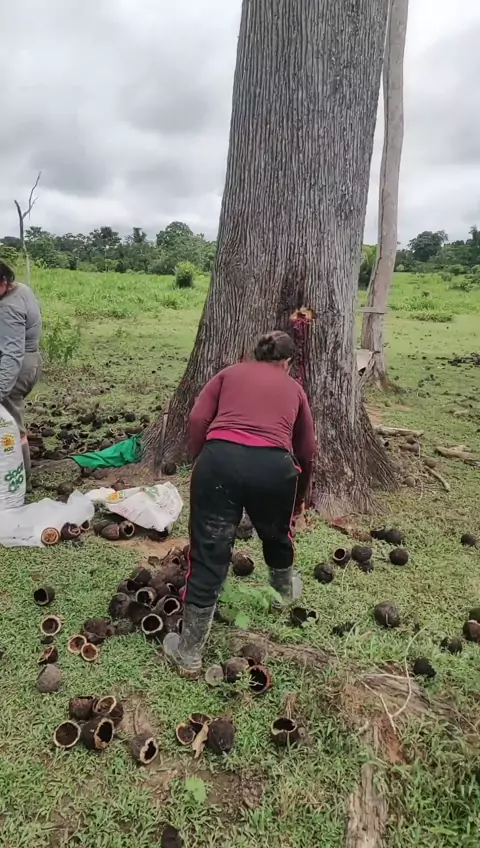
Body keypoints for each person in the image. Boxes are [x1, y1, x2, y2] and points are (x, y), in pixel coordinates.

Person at [164, 330, 316, 677]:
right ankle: (283, 595)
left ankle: (189, 655)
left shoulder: (228, 373)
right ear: (286, 362)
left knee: (209, 550)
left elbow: (197, 418)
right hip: (274, 470)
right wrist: (299, 497)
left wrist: (204, 456)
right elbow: (307, 449)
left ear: (254, 354)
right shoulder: (294, 388)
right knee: (277, 535)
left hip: (219, 462)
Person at [0, 261, 42, 479]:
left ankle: (22, 481)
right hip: (32, 361)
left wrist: (0, 389)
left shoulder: (7, 308)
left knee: (13, 427)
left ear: (4, 282)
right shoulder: (22, 289)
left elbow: (12, 354)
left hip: (18, 367)